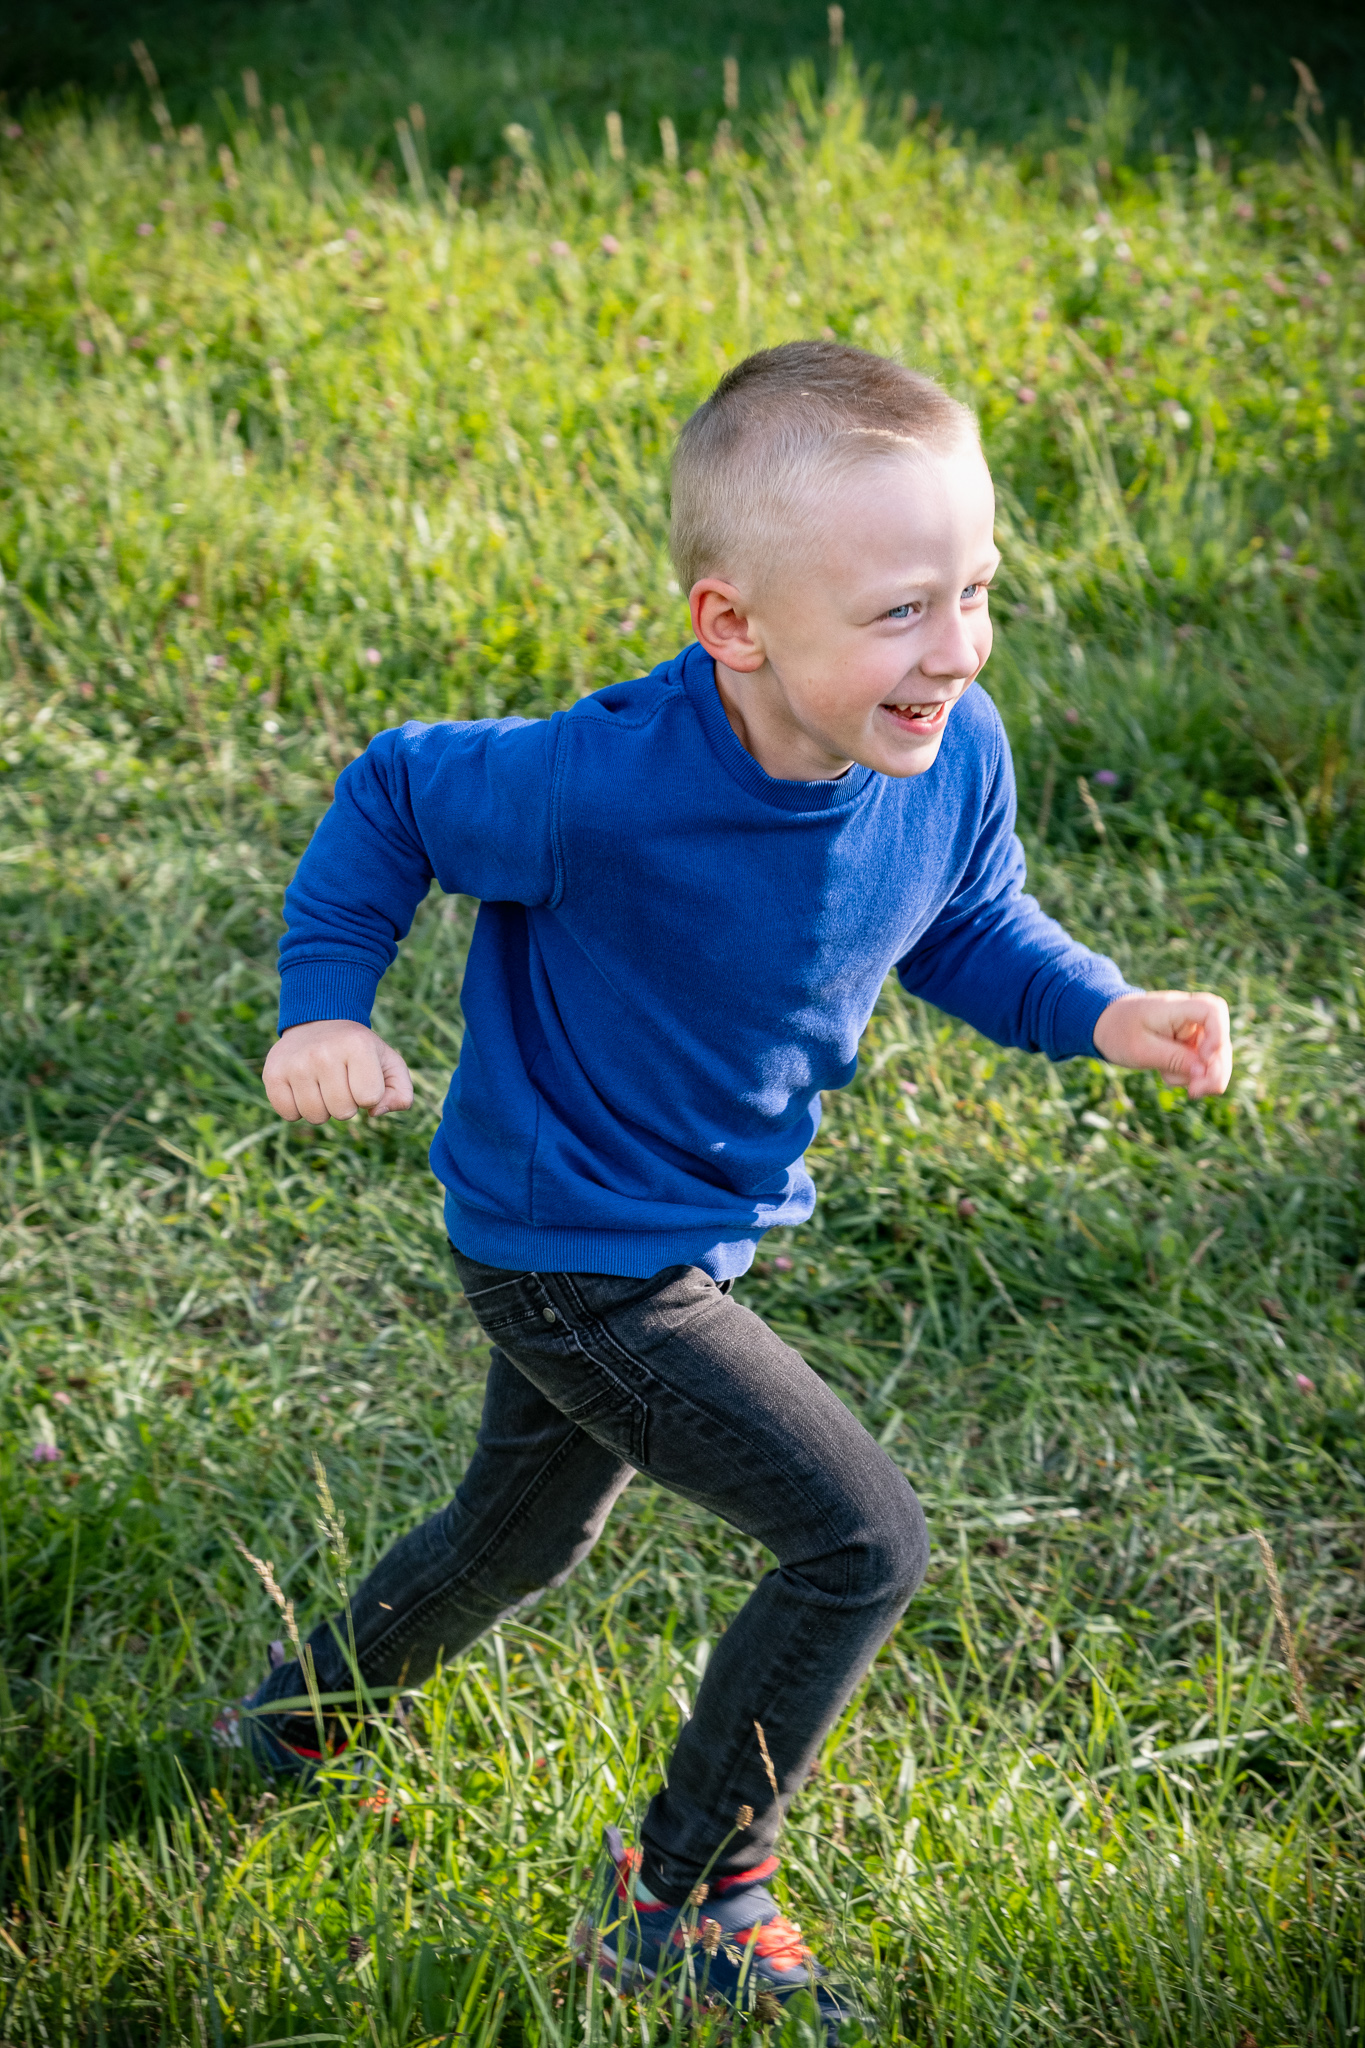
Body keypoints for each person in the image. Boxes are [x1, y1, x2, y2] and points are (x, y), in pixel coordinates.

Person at [231, 341, 1232, 2031]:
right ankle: (689, 1890)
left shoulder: (949, 743)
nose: (957, 648)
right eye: (903, 612)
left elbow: (966, 922)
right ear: (734, 627)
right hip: (575, 1250)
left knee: (511, 1533)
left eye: (976, 590)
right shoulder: (601, 782)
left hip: (677, 1226)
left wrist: (1104, 1011)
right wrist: (323, 1006)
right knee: (857, 1542)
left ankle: (289, 1724)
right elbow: (394, 791)